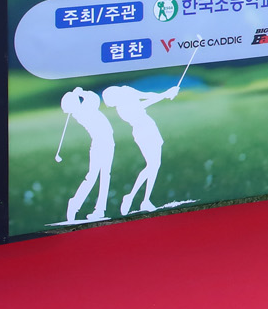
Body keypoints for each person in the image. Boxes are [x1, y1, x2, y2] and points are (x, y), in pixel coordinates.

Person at [103, 81, 181, 215]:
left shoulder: (127, 91)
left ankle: (145, 200)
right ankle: (131, 196)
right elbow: (142, 105)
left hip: (150, 126)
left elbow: (146, 95)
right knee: (152, 165)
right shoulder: (122, 110)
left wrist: (166, 94)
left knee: (155, 165)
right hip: (142, 132)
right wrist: (165, 94)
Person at [58, 87, 114, 224]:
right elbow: (94, 98)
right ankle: (75, 204)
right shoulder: (83, 111)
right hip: (101, 144)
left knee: (104, 176)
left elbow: (92, 99)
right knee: (94, 177)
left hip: (107, 143)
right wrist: (81, 92)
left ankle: (99, 210)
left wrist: (79, 94)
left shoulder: (82, 110)